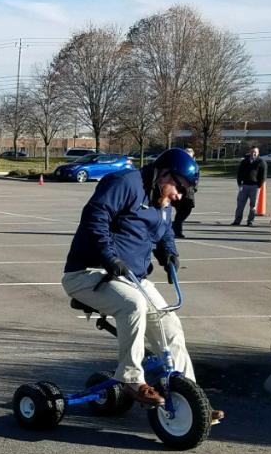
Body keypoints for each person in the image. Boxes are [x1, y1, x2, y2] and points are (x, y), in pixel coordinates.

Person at [60, 148, 223, 422]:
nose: (178, 196)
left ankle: (191, 399)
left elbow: (165, 231)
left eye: (183, 192)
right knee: (133, 305)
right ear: (164, 173)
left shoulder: (163, 202)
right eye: (178, 188)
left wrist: (169, 253)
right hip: (89, 272)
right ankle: (132, 380)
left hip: (132, 278)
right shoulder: (126, 183)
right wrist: (109, 256)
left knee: (170, 327)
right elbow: (95, 216)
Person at [232, 146, 267, 226]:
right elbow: (239, 173)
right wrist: (239, 183)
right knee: (240, 205)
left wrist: (259, 185)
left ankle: (250, 221)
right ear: (250, 152)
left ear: (258, 153)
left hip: (255, 187)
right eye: (252, 152)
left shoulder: (261, 162)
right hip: (244, 186)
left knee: (253, 205)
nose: (253, 153)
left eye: (255, 152)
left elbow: (263, 176)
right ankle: (237, 221)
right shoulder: (244, 161)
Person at [170, 147, 197, 238]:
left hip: (189, 191)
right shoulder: (180, 164)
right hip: (181, 191)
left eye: (190, 155)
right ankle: (176, 229)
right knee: (181, 211)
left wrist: (195, 188)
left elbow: (196, 177)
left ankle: (175, 226)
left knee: (186, 211)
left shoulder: (194, 165)